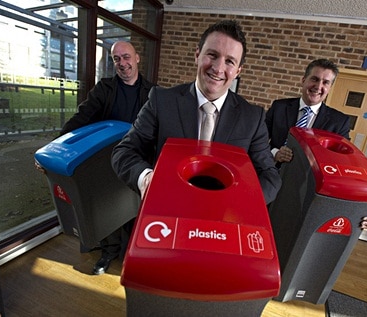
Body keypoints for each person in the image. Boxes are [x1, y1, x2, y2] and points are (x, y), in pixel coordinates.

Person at [111, 20, 281, 207]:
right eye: (212, 55)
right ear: (197, 55)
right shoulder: (162, 100)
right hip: (167, 210)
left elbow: (270, 176)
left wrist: (242, 202)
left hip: (224, 216)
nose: (218, 68)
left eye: (229, 61)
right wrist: (146, 179)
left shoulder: (252, 117)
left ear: (238, 71)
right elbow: (124, 152)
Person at [57, 41, 154, 274]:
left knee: (134, 208)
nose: (123, 63)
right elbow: (82, 117)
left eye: (126, 57)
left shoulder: (153, 93)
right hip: (106, 161)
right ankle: (109, 252)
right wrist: (57, 145)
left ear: (137, 58)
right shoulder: (104, 89)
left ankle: (132, 253)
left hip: (137, 163)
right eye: (117, 59)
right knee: (108, 208)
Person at [266, 58, 367, 230]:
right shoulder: (279, 107)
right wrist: (274, 153)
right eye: (315, 79)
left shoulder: (338, 122)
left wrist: (364, 207)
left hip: (306, 192)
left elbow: (344, 163)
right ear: (304, 80)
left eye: (326, 82)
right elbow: (257, 142)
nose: (318, 86)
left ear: (330, 88)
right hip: (270, 182)